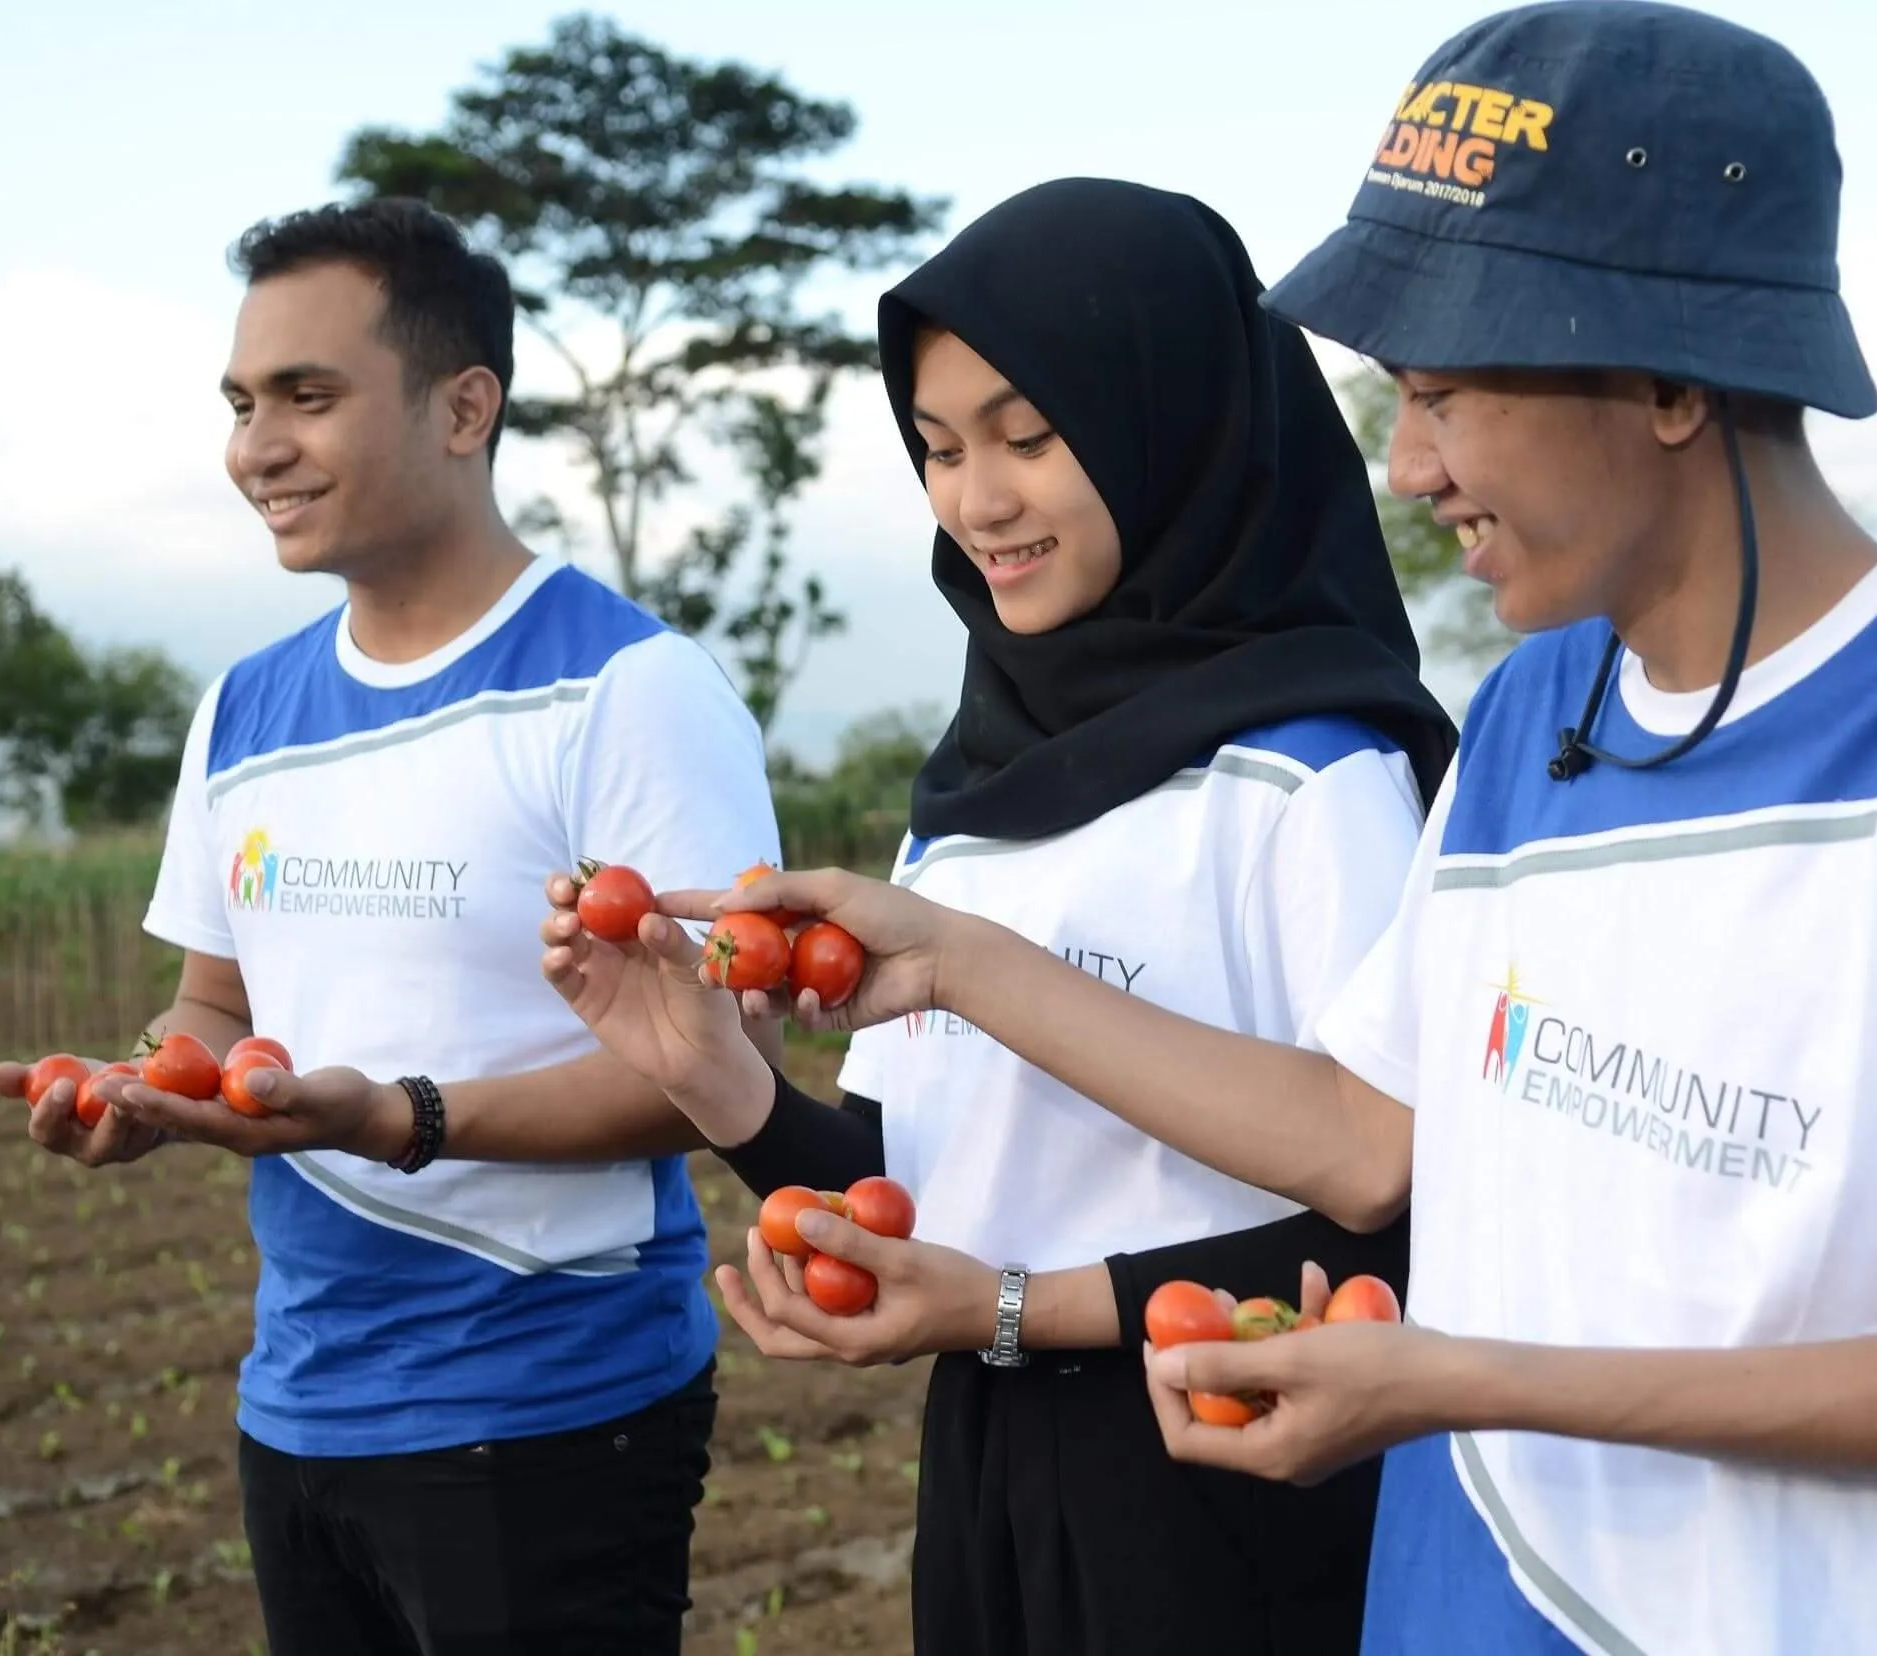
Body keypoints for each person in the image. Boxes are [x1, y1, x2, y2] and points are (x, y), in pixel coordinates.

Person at [592, 7, 1877, 1654]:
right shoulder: (1535, 721)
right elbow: (1363, 1136)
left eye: (1445, 396)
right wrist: (950, 960)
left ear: (1669, 377)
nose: (1414, 467)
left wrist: (1442, 1375)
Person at [535, 176, 1459, 1656]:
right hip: (987, 1463)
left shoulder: (1310, 778)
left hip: (1240, 1470)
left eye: (1032, 437)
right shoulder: (973, 792)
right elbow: (915, 1174)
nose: (977, 500)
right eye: (939, 448)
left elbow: (1394, 1219)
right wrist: (711, 1075)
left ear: (1181, 426)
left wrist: (1016, 1305)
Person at [0, 196, 784, 1655]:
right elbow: (213, 1005)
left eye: (308, 396)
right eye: (239, 403)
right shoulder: (244, 709)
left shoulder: (629, 690)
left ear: (464, 405)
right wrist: (143, 1086)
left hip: (550, 1408)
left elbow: (716, 1078)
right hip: (297, 1403)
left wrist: (396, 1116)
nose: (256, 448)